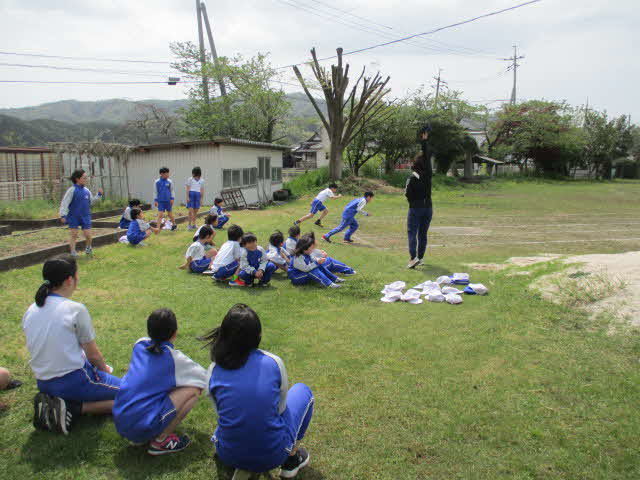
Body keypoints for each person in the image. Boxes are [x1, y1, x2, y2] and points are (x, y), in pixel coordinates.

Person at [201, 304, 314, 477]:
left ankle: (241, 454)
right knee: (302, 391)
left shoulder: (213, 369)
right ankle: (291, 459)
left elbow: (220, 414)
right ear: (258, 336)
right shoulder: (274, 362)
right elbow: (281, 409)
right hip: (273, 455)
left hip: (227, 453)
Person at [22, 255, 121, 435]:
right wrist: (104, 373)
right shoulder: (75, 309)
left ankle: (60, 403)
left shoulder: (31, 309)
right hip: (73, 380)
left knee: (104, 377)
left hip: (44, 383)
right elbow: (93, 355)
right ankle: (74, 408)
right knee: (133, 396)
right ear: (69, 280)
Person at [113, 309, 208, 455]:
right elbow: (205, 379)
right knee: (193, 390)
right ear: (175, 333)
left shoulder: (139, 344)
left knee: (165, 383)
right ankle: (161, 441)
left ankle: (144, 430)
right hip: (139, 426)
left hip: (119, 418)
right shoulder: (174, 359)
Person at [406, 124, 434, 269]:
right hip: (428, 207)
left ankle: (413, 258)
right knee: (423, 234)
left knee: (412, 233)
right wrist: (424, 141)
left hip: (416, 208)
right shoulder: (428, 175)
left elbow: (408, 195)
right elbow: (427, 158)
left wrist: (413, 202)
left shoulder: (412, 178)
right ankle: (421, 258)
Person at [59, 169, 103, 257]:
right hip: (73, 216)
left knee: (88, 235)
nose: (86, 179)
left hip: (85, 216)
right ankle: (73, 252)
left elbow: (92, 201)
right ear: (77, 179)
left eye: (86, 178)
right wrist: (63, 215)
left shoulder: (86, 190)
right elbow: (64, 203)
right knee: (74, 235)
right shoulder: (72, 190)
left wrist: (98, 195)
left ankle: (88, 248)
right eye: (84, 178)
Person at [155, 167, 178, 232]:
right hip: (160, 201)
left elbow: (172, 191)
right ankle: (157, 228)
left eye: (168, 173)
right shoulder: (157, 182)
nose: (168, 175)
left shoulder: (169, 181)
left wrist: (172, 198)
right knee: (160, 215)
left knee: (170, 214)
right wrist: (155, 200)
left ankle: (174, 224)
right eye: (166, 174)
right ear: (161, 174)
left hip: (168, 201)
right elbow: (155, 191)